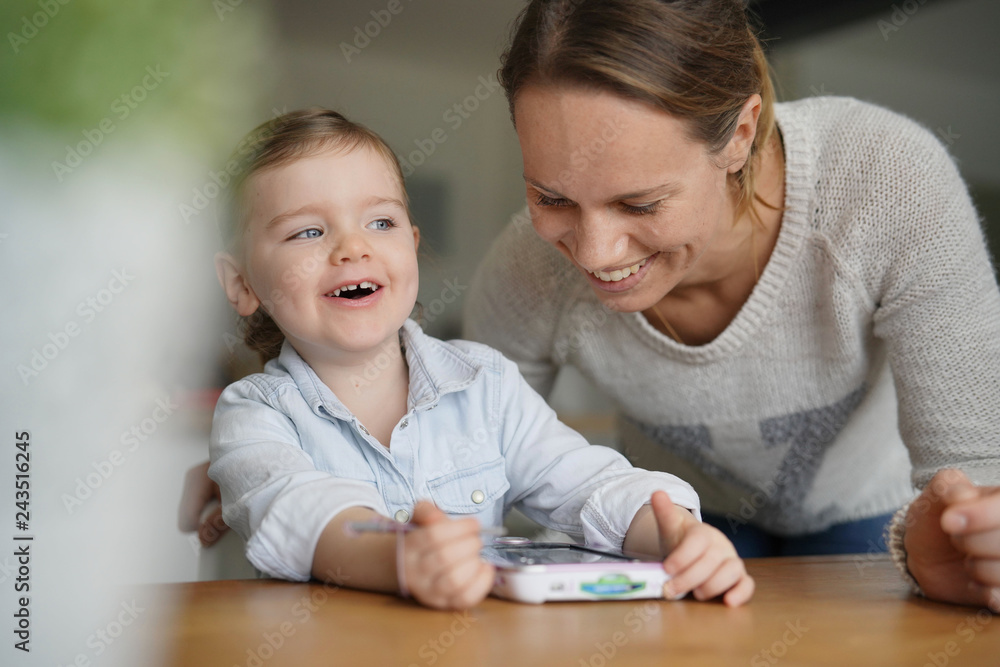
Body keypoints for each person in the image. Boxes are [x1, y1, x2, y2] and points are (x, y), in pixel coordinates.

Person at [461, 0, 1000, 611]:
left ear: (741, 135)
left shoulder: (888, 179)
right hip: (676, 527)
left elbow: (978, 472)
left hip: (877, 518)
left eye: (639, 204)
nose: (593, 252)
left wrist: (960, 539)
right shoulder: (526, 270)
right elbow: (466, 473)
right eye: (551, 198)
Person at [205, 107, 755, 610]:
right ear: (242, 284)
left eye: (381, 223)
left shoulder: (485, 385)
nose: (353, 248)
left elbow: (587, 485)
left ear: (413, 246)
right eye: (308, 231)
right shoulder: (252, 415)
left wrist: (673, 534)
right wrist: (399, 557)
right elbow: (296, 511)